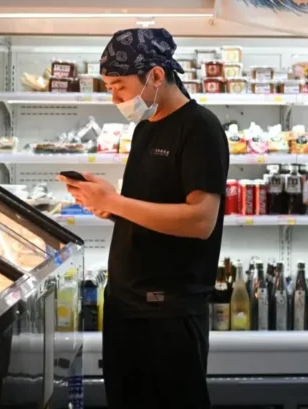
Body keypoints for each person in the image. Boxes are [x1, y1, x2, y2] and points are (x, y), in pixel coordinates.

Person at [59, 28, 229, 409]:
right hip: (126, 305)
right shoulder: (145, 129)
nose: (114, 96)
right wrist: (108, 207)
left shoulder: (200, 127)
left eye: (118, 85)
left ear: (155, 75)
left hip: (168, 313)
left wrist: (118, 203)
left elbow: (201, 220)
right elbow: (147, 208)